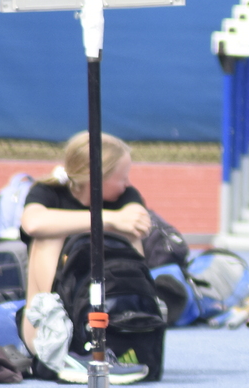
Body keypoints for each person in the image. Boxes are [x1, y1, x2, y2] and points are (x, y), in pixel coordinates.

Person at [18, 131, 151, 368]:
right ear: (95, 178)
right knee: (47, 238)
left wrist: (118, 222)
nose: (128, 184)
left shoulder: (127, 196)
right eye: (123, 177)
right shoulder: (48, 192)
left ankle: (131, 312)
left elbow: (138, 222)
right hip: (46, 324)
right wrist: (108, 219)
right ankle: (61, 326)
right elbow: (32, 223)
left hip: (108, 312)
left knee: (130, 233)